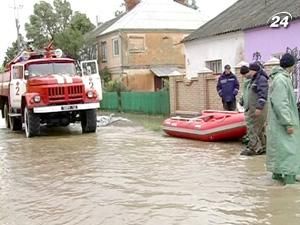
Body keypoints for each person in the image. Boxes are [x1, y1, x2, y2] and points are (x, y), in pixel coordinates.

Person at [266, 53, 300, 184]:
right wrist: (288, 123)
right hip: (283, 123)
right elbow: (281, 104)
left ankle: (279, 177)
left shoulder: (282, 78)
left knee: (281, 150)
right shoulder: (281, 80)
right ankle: (289, 181)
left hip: (279, 122)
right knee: (289, 151)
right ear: (291, 66)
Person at [240, 62, 268, 156]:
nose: (249, 72)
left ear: (254, 70)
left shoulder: (261, 79)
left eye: (250, 70)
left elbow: (263, 94)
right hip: (251, 108)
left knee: (253, 129)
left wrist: (259, 108)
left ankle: (254, 148)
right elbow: (248, 93)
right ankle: (263, 147)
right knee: (258, 129)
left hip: (257, 109)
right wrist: (243, 101)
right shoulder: (254, 80)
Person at [239, 65, 251, 145]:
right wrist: (241, 100)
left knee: (252, 125)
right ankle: (249, 138)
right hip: (247, 106)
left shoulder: (252, 81)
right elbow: (244, 93)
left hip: (252, 106)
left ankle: (252, 142)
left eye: (244, 75)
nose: (244, 77)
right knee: (249, 123)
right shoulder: (246, 82)